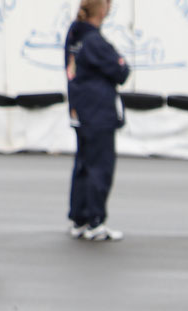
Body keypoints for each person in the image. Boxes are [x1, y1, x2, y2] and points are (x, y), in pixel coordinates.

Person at [65, 0, 129, 242]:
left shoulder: (74, 36)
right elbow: (121, 71)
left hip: (79, 110)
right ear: (102, 10)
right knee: (100, 167)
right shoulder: (95, 41)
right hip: (98, 112)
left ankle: (79, 218)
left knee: (83, 164)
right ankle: (95, 221)